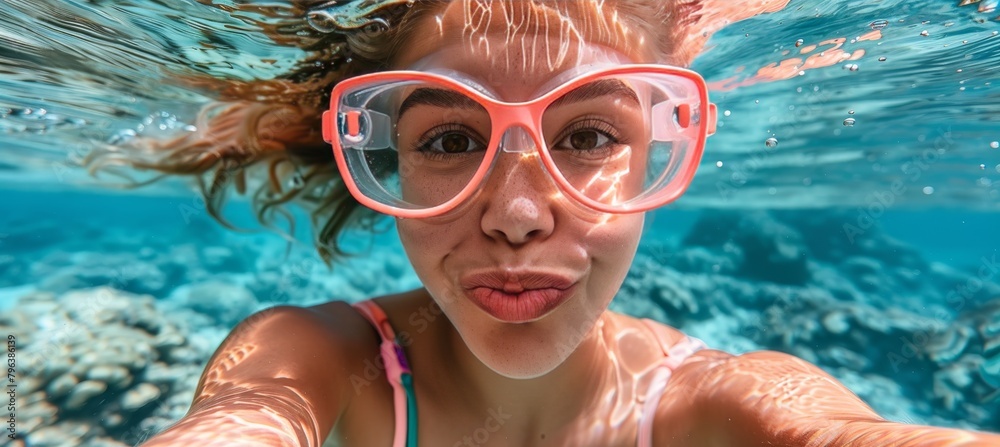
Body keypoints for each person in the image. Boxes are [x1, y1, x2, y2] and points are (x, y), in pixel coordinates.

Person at [87, 1, 1000, 445]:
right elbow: (247, 420)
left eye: (590, 133)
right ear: (384, 159)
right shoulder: (321, 360)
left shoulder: (715, 403)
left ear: (663, 149)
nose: (518, 217)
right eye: (448, 137)